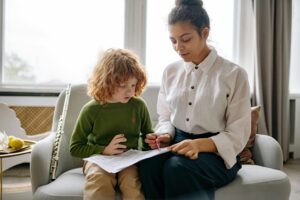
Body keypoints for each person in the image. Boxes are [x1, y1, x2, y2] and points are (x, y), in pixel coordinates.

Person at [139, 0, 251, 199]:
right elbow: (165, 117)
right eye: (173, 40)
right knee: (147, 164)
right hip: (178, 143)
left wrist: (200, 145)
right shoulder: (170, 72)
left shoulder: (234, 75)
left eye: (185, 39)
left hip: (217, 153)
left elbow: (238, 134)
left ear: (205, 33)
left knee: (177, 168)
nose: (178, 47)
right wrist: (164, 135)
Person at [69, 48, 153, 200]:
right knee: (99, 181)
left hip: (129, 160)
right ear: (106, 82)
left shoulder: (138, 105)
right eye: (123, 86)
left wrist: (152, 142)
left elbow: (148, 136)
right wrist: (104, 150)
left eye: (133, 85)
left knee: (132, 183)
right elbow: (75, 148)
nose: (130, 92)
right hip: (99, 160)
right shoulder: (91, 110)